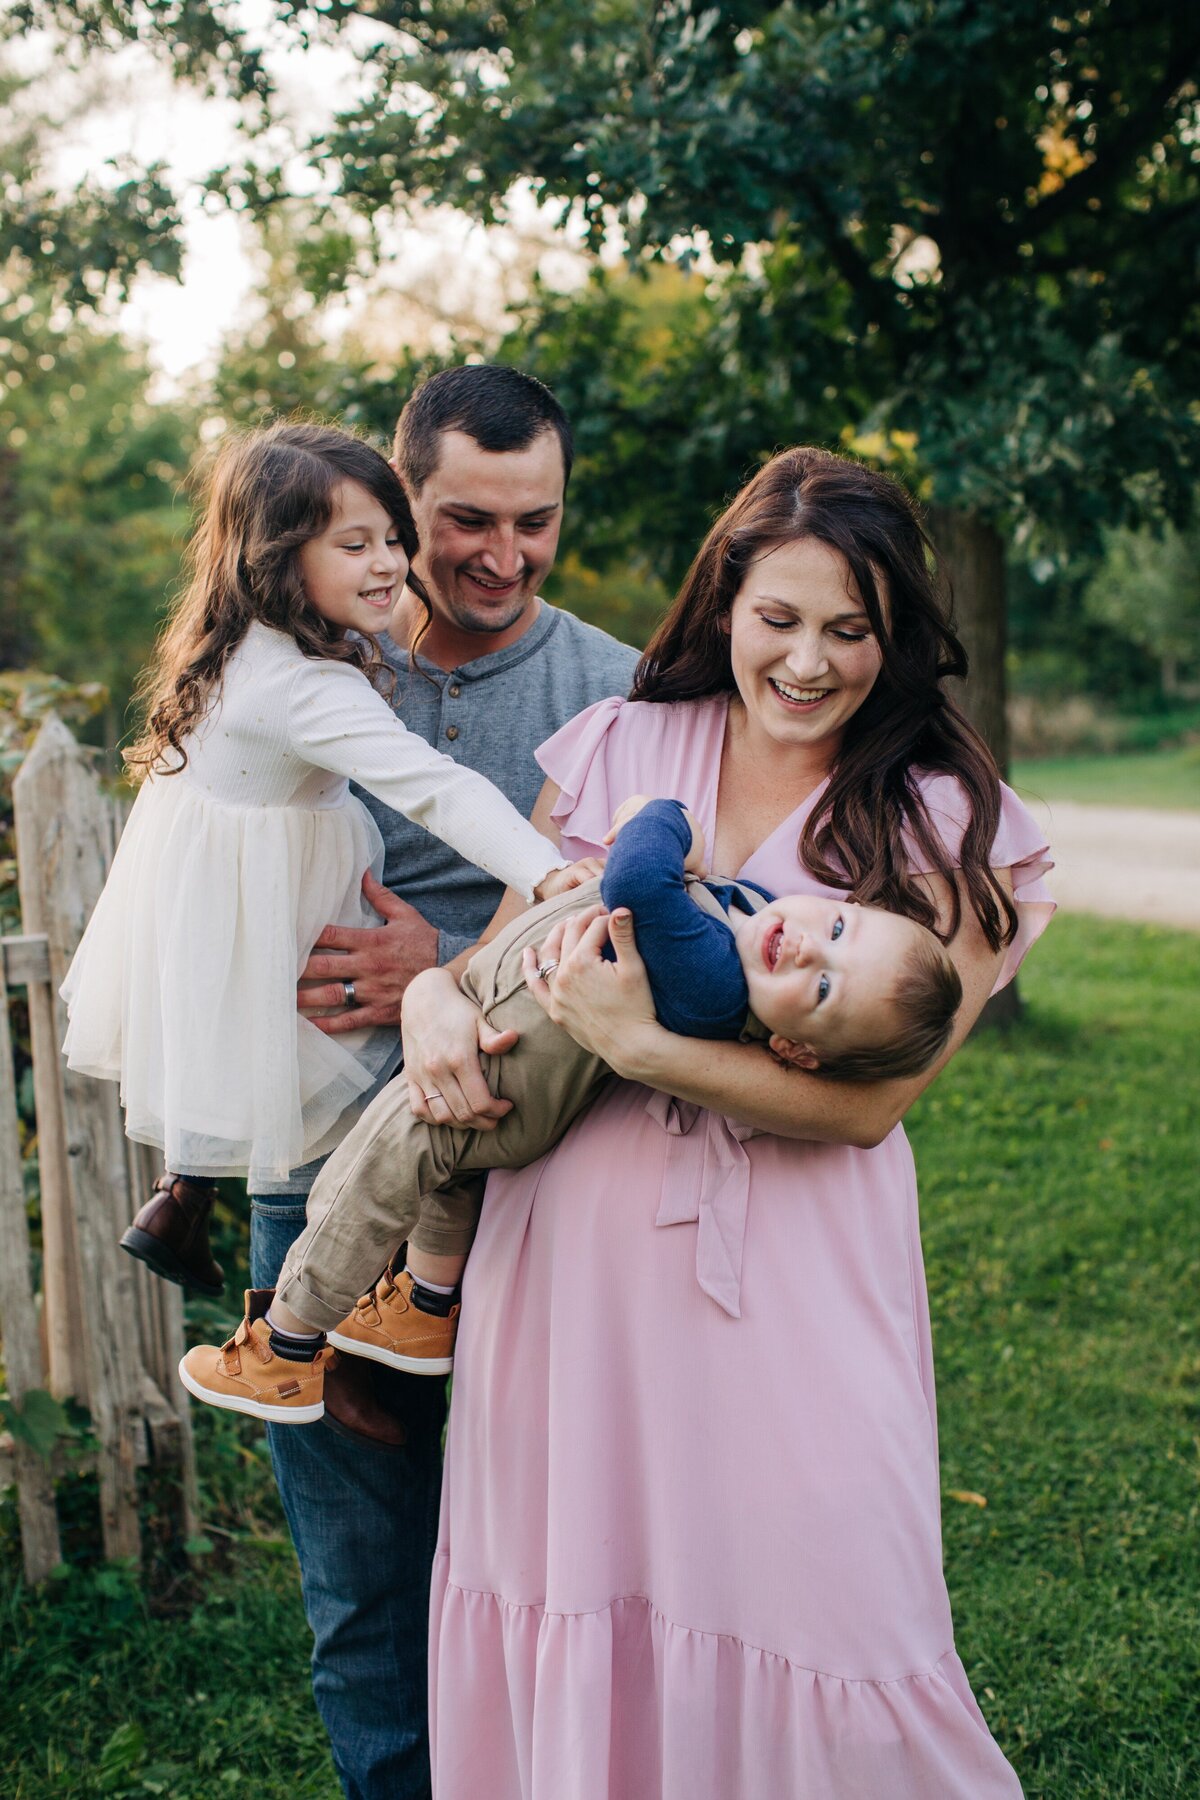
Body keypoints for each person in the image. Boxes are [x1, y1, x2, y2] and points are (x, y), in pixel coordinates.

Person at [402, 445, 1055, 1798]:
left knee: (835, 1604)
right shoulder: (624, 746)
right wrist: (429, 999)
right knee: (576, 1576)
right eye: (780, 619)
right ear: (726, 600)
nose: (809, 662)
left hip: (796, 1273)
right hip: (571, 1260)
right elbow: (510, 953)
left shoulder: (952, 819)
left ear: (899, 633)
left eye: (850, 629)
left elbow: (874, 1104)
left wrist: (645, 1044)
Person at [243, 369, 640, 1800]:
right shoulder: (301, 664)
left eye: (536, 523)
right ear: (397, 504)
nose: (503, 556)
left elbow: (642, 927)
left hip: (523, 1199)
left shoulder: (613, 686)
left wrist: (450, 961)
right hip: (309, 1173)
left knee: (540, 1573)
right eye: (465, 518)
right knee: (363, 1595)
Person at [177, 792, 963, 1418]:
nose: (806, 944)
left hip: (499, 1074)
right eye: (837, 923)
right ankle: (424, 1305)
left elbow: (637, 880)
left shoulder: (715, 980)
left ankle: (286, 1345)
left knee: (369, 1174)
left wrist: (664, 818)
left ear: (793, 1051)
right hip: (503, 1068)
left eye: (823, 986)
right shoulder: (746, 919)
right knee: (445, 1177)